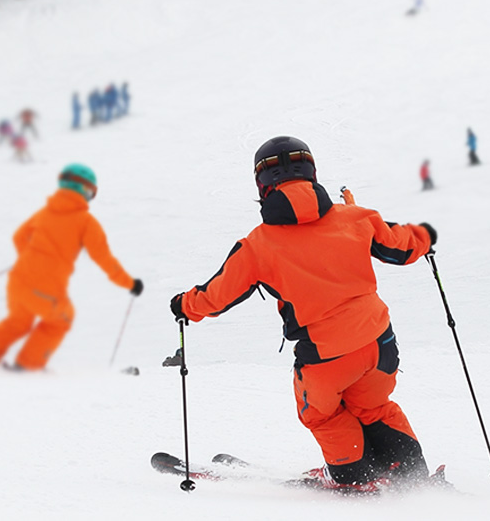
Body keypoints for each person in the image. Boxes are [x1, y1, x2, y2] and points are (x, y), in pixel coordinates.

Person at [169, 136, 437, 492]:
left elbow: (215, 297)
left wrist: (183, 304)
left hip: (326, 356)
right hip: (379, 342)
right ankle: (412, 476)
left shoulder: (257, 245)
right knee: (373, 405)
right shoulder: (355, 217)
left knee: (321, 413)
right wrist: (425, 236)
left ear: (262, 185)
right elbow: (402, 247)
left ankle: (352, 476)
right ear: (311, 172)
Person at [0, 164, 144, 371]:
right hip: (45, 290)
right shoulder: (85, 222)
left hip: (18, 282)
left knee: (17, 323)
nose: (90, 197)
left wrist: (32, 260)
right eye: (91, 192)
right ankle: (27, 366)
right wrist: (130, 283)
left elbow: (19, 237)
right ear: (82, 189)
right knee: (63, 318)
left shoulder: (45, 212)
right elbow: (104, 259)